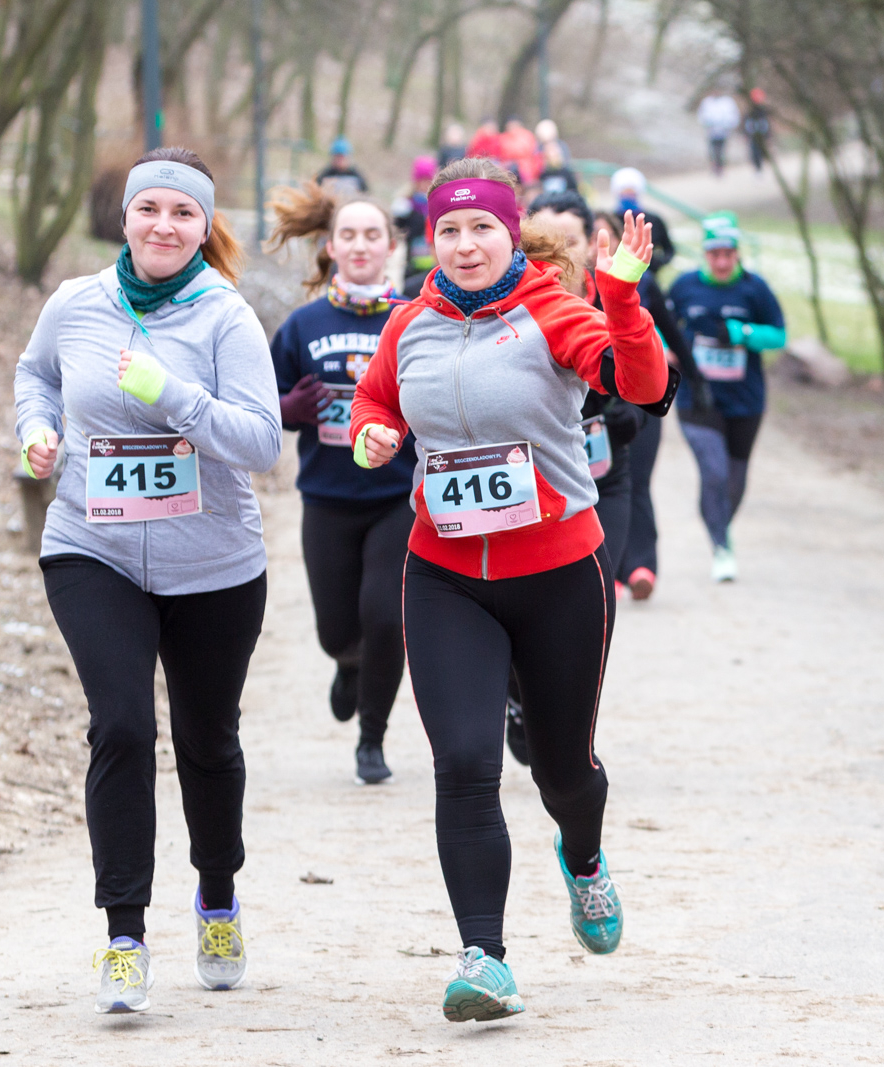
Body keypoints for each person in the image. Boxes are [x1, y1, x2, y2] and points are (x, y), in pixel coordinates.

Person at [350, 157, 677, 1022]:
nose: (463, 244)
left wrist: (624, 298)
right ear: (432, 237)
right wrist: (374, 435)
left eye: (481, 228)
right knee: (463, 762)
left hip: (559, 573)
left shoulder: (552, 311)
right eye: (448, 230)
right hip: (447, 573)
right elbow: (373, 402)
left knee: (564, 768)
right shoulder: (409, 324)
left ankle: (584, 856)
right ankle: (484, 957)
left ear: (510, 231)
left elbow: (640, 384)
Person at [15, 146, 281, 1014]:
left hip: (213, 564)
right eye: (149, 209)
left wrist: (175, 395)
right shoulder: (76, 303)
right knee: (122, 725)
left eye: (183, 214)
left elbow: (262, 444)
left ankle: (216, 897)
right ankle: (124, 936)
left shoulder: (225, 317)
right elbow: (36, 375)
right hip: (91, 546)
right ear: (125, 217)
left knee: (207, 739)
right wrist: (38, 429)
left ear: (205, 228)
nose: (164, 226)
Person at [265, 184, 417, 785]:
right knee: (337, 628)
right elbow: (259, 407)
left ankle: (372, 739)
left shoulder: (414, 319)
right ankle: (347, 664)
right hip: (327, 497)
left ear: (390, 246)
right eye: (348, 235)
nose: (359, 245)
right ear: (330, 247)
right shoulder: (303, 324)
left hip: (397, 497)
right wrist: (290, 408)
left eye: (371, 235)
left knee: (386, 616)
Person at [501, 190, 644, 766]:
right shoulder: (504, 310)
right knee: (514, 600)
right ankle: (516, 697)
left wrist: (621, 411)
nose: (559, 251)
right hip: (521, 487)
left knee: (594, 595)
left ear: (592, 245)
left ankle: (563, 716)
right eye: (546, 239)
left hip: (600, 482)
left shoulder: (609, 305)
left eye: (572, 240)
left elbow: (650, 383)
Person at [667, 211, 785, 581]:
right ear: (705, 253)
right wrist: (663, 347)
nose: (721, 261)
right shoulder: (684, 287)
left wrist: (740, 332)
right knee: (713, 471)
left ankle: (717, 524)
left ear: (737, 253)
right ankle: (722, 548)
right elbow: (655, 323)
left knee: (734, 479)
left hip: (745, 399)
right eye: (714, 253)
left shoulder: (755, 289)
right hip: (695, 396)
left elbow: (779, 337)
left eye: (727, 254)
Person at [592, 211, 694, 602]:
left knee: (637, 481)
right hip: (594, 413)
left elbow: (672, 334)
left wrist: (695, 383)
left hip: (640, 399)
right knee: (602, 486)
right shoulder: (563, 294)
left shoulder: (642, 282)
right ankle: (614, 567)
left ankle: (642, 565)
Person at [609, 167, 674, 269]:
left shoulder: (654, 221)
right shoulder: (610, 221)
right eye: (624, 192)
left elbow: (669, 249)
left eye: (631, 192)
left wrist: (657, 263)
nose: (627, 196)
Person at [392, 156, 437, 293]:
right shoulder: (406, 206)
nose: (424, 185)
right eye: (421, 180)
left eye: (428, 180)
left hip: (434, 263)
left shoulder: (435, 203)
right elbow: (397, 234)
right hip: (411, 264)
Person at [696, 91, 741, 176]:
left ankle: (721, 167)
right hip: (711, 131)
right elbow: (701, 115)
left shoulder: (727, 102)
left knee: (721, 150)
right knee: (712, 150)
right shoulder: (707, 102)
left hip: (723, 131)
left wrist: (729, 125)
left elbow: (733, 115)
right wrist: (706, 123)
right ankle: (714, 166)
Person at [498, 117, 541, 184]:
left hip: (526, 169)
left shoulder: (527, 136)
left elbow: (535, 155)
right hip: (510, 168)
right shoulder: (502, 138)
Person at [744, 88, 772, 172]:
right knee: (755, 151)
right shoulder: (750, 111)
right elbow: (747, 123)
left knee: (761, 151)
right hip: (754, 134)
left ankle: (760, 167)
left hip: (762, 133)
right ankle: (757, 168)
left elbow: (767, 123)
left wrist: (768, 134)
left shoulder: (764, 110)